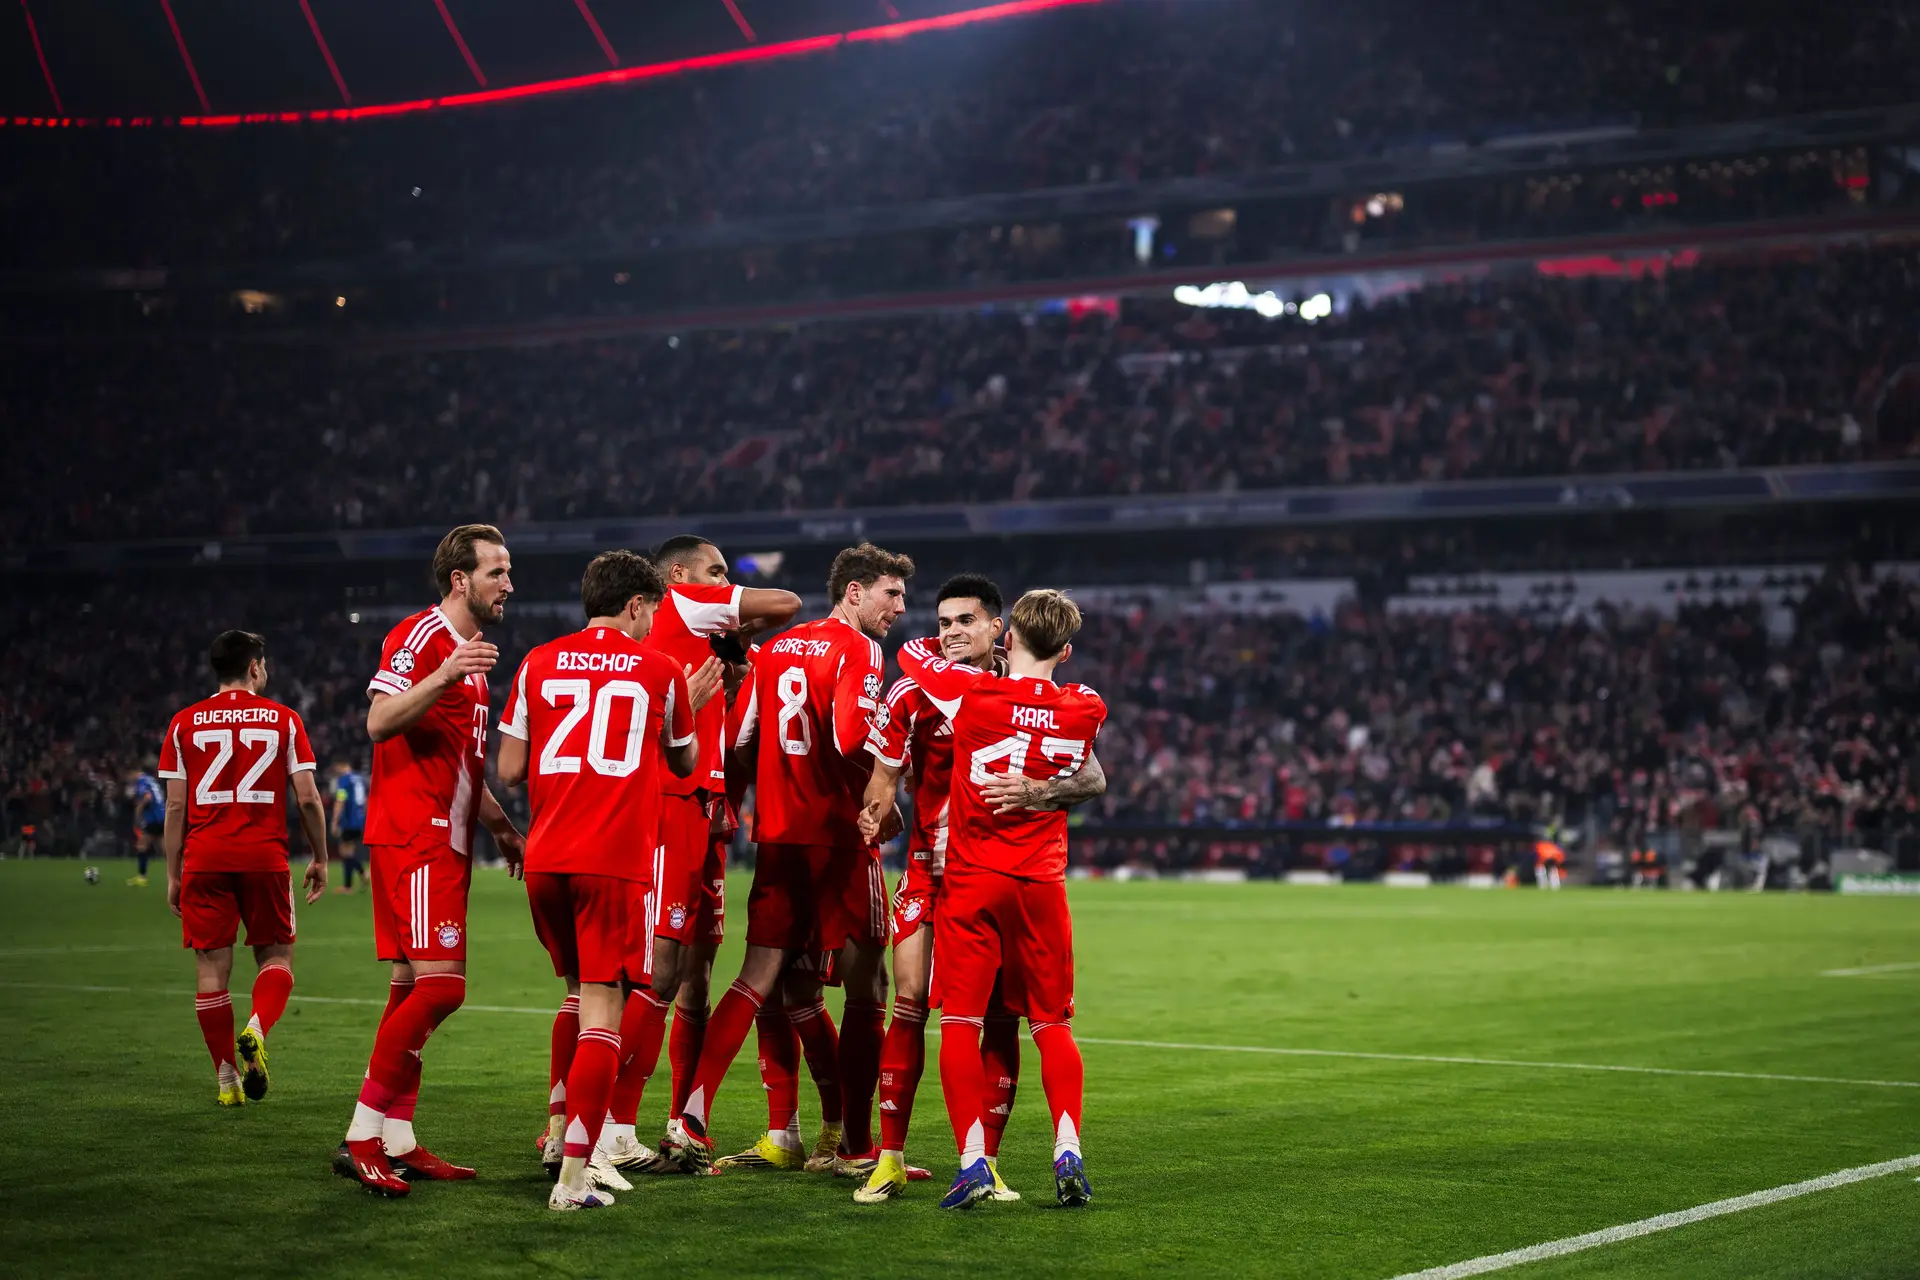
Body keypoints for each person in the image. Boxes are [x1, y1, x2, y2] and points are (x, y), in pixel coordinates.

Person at [662, 542, 913, 1173]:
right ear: (853, 592)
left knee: (761, 981)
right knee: (866, 991)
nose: (899, 608)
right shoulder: (860, 650)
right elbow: (853, 736)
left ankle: (693, 1113)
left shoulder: (774, 650)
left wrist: (746, 799)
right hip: (839, 840)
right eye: (891, 593)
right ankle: (857, 1147)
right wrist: (887, 789)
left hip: (777, 837)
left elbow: (739, 740)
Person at [497, 550, 706, 1211]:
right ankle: (573, 1179)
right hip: (611, 860)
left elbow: (508, 767)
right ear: (637, 605)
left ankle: (561, 1132)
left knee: (572, 994)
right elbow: (684, 761)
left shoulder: (537, 660)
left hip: (546, 857)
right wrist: (686, 708)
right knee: (602, 1015)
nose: (654, 627)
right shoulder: (662, 669)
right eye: (653, 614)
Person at [589, 535, 798, 1173]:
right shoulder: (687, 602)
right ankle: (607, 1125)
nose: (722, 582)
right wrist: (737, 627)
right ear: (677, 576)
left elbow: (735, 740)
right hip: (670, 806)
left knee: (691, 982)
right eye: (716, 572)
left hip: (707, 815)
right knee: (654, 971)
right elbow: (786, 602)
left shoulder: (703, 647)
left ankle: (680, 1125)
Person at [896, 588, 1109, 1209]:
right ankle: (1067, 1148)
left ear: (1007, 636)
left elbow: (913, 651)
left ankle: (973, 1163)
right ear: (1066, 651)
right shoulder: (1086, 706)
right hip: (1041, 884)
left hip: (972, 879)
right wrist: (1042, 792)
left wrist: (959, 644)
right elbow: (1092, 777)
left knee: (960, 1022)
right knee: (1052, 1024)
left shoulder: (971, 693)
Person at [335, 523, 527, 1198]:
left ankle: (397, 1135)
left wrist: (501, 828)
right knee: (443, 987)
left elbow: (463, 765)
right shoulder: (423, 639)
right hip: (413, 832)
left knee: (407, 987)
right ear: (460, 580)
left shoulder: (471, 657)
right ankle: (362, 1133)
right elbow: (379, 721)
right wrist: (444, 672)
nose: (509, 584)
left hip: (445, 836)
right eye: (497, 572)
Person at [853, 573, 1025, 1204]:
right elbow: (883, 778)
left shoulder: (1028, 689)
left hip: (1001, 871)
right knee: (910, 1002)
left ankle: (986, 1163)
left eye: (967, 621)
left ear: (996, 628)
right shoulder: (911, 692)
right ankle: (890, 1157)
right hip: (929, 867)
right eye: (945, 622)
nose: (952, 632)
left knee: (1000, 1014)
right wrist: (878, 809)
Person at [157, 630, 329, 1106]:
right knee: (276, 958)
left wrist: (174, 873)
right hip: (263, 857)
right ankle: (256, 1027)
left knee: (211, 971)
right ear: (255, 668)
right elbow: (309, 797)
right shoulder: (284, 720)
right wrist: (320, 854)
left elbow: (175, 807)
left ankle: (227, 1079)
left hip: (205, 858)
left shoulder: (183, 723)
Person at [329, 759, 369, 893]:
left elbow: (340, 799)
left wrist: (334, 821)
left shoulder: (344, 780)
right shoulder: (360, 779)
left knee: (345, 852)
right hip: (360, 819)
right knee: (349, 851)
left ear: (342, 765)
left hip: (349, 821)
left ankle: (350, 884)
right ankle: (357, 878)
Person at [127, 760, 167, 886]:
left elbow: (147, 797)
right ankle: (180, 874)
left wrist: (138, 810)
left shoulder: (141, 781)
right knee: (166, 849)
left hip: (153, 818)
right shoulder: (151, 779)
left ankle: (142, 878)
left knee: (142, 845)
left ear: (133, 772)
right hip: (163, 815)